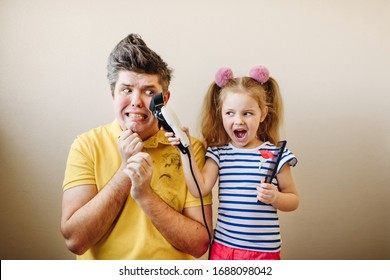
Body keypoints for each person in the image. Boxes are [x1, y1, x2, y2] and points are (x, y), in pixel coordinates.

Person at [60, 33, 213, 260]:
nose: (136, 101)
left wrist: (145, 195)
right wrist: (126, 170)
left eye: (149, 91)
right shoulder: (86, 145)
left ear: (165, 99)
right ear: (113, 94)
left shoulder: (189, 148)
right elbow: (75, 240)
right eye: (127, 89)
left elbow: (200, 244)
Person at [166, 65, 299, 260]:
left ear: (262, 114)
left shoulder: (277, 154)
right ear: (221, 115)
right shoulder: (219, 153)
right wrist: (185, 151)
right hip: (223, 249)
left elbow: (293, 200)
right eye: (230, 113)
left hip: (263, 253)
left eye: (247, 113)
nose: (238, 121)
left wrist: (276, 198)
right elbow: (199, 189)